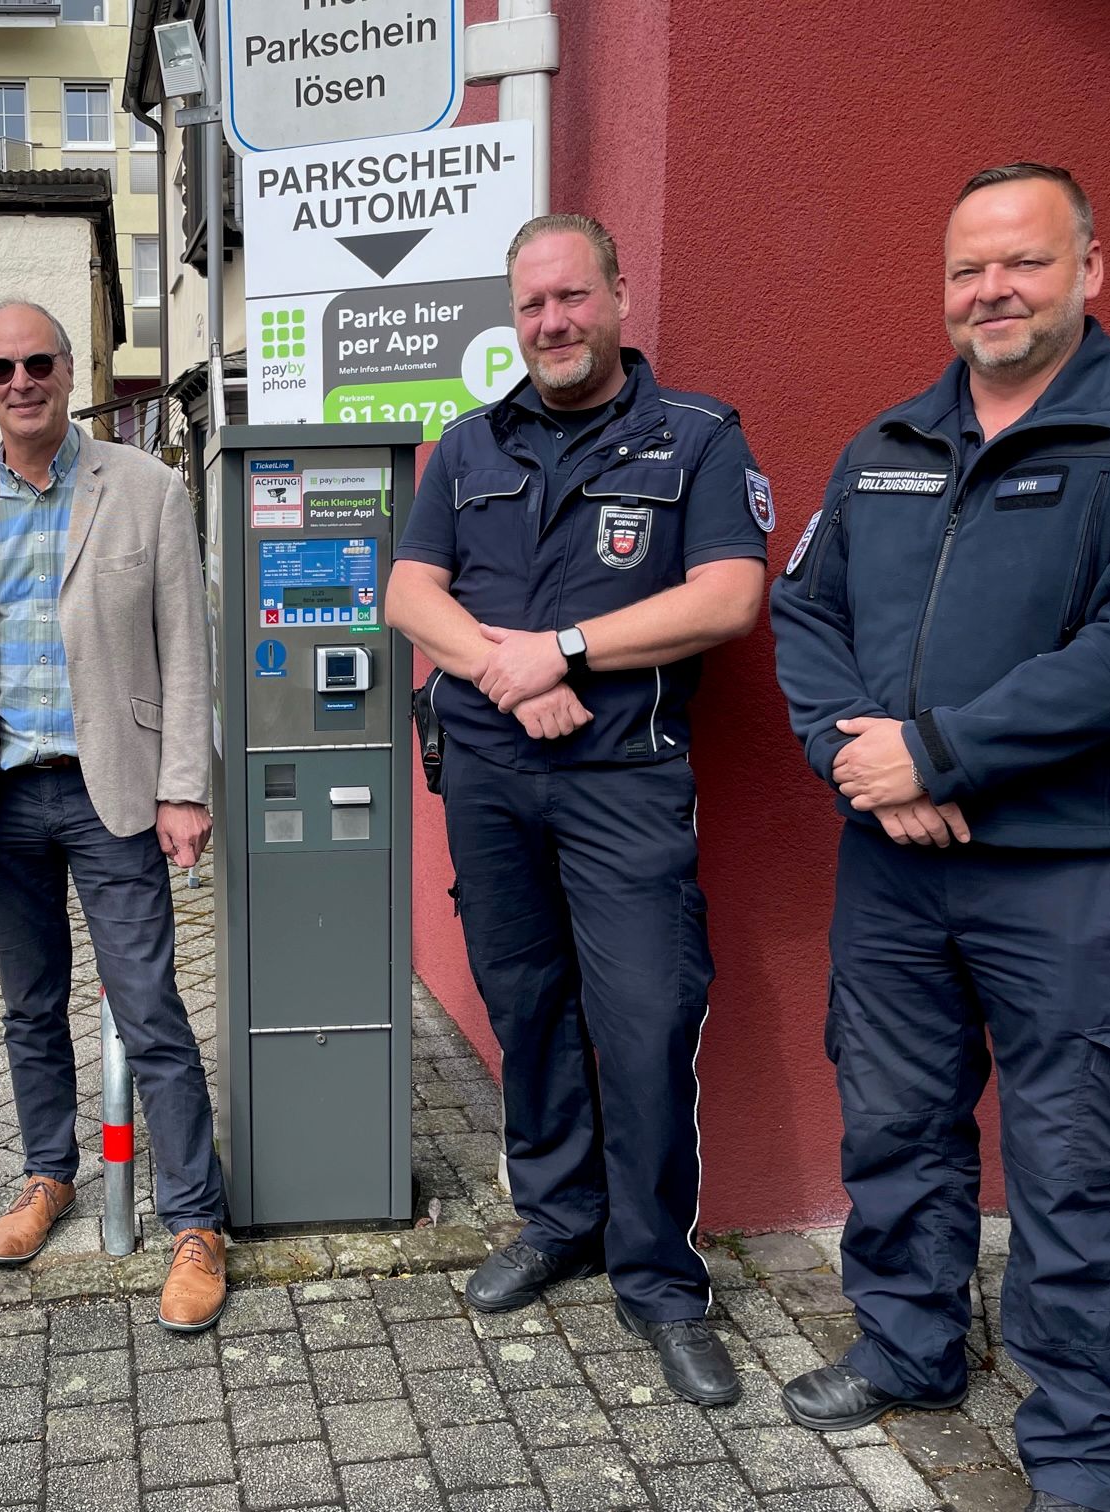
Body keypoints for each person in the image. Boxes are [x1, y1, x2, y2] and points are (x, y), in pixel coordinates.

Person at [770, 163, 1110, 1512]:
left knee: (1076, 1152)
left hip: (1068, 874)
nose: (993, 291)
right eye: (969, 270)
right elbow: (806, 619)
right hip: (897, 869)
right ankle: (911, 1348)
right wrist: (867, 760)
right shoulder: (888, 445)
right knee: (897, 1125)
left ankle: (1084, 1439)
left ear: (1090, 270)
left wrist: (944, 749)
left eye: (1023, 263)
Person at [384, 215, 768, 1407]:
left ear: (617, 298)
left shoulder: (695, 437)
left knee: (647, 1020)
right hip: (493, 782)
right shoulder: (467, 444)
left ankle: (659, 1277)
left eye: (572, 298)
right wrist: (509, 673)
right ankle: (557, 1222)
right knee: (527, 1006)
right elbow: (407, 589)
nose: (552, 323)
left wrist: (562, 649)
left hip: (624, 784)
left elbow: (729, 598)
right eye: (533, 304)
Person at [0, 300, 228, 1331]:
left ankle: (194, 1219)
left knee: (151, 1011)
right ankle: (49, 1176)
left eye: (37, 361)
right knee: (26, 1008)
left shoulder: (146, 489)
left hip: (116, 792)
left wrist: (185, 786)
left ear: (66, 369)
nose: (20, 381)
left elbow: (187, 652)